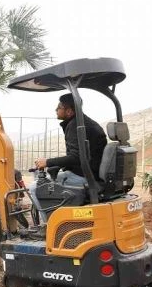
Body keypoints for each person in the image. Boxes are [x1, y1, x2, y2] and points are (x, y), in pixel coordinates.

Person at [30, 93, 107, 222]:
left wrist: (47, 162)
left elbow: (76, 156)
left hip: (85, 176)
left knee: (35, 188)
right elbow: (81, 155)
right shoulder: (86, 122)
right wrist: (56, 165)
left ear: (69, 111)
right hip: (92, 173)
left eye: (59, 107)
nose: (56, 109)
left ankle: (48, 226)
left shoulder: (76, 125)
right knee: (49, 179)